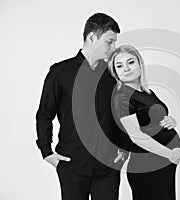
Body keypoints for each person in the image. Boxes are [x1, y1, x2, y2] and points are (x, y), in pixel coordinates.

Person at [36, 13, 128, 200]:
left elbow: (120, 114)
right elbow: (45, 114)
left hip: (108, 166)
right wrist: (46, 151)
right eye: (109, 41)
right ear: (92, 37)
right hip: (72, 165)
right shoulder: (60, 73)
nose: (114, 48)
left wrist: (124, 147)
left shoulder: (112, 74)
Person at [108, 45, 180, 200]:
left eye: (131, 62)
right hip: (147, 166)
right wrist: (170, 154)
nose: (126, 68)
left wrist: (171, 121)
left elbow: (155, 120)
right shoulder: (122, 98)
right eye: (119, 66)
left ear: (139, 64)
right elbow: (136, 136)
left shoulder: (147, 93)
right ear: (115, 73)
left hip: (162, 164)